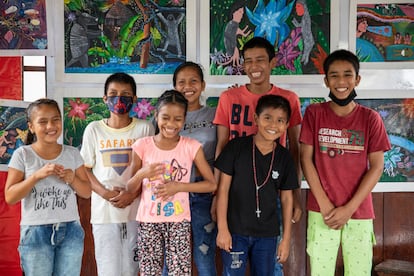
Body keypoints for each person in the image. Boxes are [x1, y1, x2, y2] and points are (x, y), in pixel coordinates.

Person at [213, 36, 302, 275]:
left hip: (272, 188)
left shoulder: (289, 99)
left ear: (273, 62)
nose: (254, 66)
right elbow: (221, 144)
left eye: (261, 60)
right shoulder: (228, 98)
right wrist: (215, 192)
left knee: (271, 263)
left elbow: (295, 149)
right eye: (248, 61)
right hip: (234, 190)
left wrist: (296, 195)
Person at [300, 49, 391, 276]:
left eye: (348, 75)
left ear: (357, 79)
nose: (341, 81)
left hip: (359, 212)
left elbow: (377, 167)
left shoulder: (371, 118)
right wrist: (326, 206)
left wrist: (349, 209)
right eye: (334, 75)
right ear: (326, 80)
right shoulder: (314, 113)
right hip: (322, 212)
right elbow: (305, 159)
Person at [127, 90, 216, 275]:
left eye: (177, 119)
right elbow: (129, 187)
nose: (171, 124)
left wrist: (179, 186)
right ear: (156, 116)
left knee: (179, 272)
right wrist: (143, 173)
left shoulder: (191, 146)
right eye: (165, 117)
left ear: (184, 120)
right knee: (150, 271)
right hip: (148, 221)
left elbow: (211, 184)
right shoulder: (142, 145)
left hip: (179, 221)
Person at [5, 98, 91, 276]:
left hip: (70, 230)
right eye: (43, 121)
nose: (51, 126)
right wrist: (36, 176)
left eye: (55, 119)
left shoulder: (72, 153)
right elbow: (10, 196)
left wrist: (72, 179)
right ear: (31, 126)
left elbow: (87, 192)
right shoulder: (23, 154)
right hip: (35, 231)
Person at [80, 72, 154, 276]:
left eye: (125, 94)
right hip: (104, 213)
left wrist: (132, 193)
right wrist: (105, 193)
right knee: (108, 269)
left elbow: (150, 169)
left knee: (132, 269)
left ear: (135, 99)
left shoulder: (145, 128)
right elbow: (84, 169)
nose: (119, 99)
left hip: (137, 212)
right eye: (113, 94)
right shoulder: (93, 129)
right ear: (105, 98)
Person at [168, 61, 218, 276]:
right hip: (172, 194)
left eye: (193, 81)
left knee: (204, 254)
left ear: (203, 85)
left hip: (203, 193)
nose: (187, 86)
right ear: (174, 87)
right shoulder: (164, 117)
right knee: (172, 256)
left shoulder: (215, 115)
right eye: (181, 82)